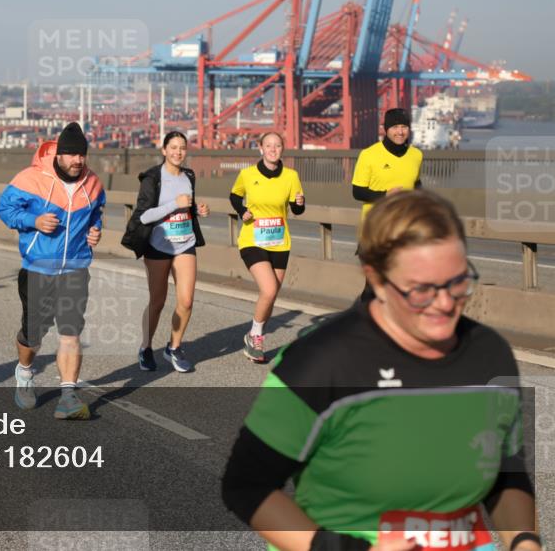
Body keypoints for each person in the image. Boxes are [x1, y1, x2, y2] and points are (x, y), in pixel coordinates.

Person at [221, 191, 541, 551]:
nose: (444, 303)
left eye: (457, 282)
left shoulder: (490, 354)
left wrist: (524, 540)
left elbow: (505, 470)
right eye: (420, 289)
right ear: (375, 278)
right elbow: (246, 485)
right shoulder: (319, 361)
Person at [0, 122, 105, 420]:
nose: (77, 161)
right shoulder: (31, 178)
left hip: (76, 268)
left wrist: (96, 230)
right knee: (34, 335)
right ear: (58, 154)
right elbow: (4, 209)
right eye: (71, 154)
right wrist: (34, 221)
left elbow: (97, 214)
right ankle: (25, 371)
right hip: (37, 268)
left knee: (70, 333)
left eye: (82, 155)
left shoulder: (93, 182)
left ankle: (68, 397)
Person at [121, 131, 208, 373]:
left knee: (187, 300)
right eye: (173, 148)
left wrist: (196, 210)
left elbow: (186, 206)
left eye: (182, 148)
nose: (178, 152)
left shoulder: (188, 176)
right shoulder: (152, 178)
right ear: (164, 150)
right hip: (159, 245)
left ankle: (174, 347)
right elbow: (144, 216)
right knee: (157, 301)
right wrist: (173, 205)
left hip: (185, 242)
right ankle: (146, 347)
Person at [229, 132, 304, 363]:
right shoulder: (247, 174)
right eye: (268, 145)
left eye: (278, 145)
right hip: (253, 239)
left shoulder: (291, 176)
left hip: (280, 241)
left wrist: (299, 203)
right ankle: (256, 336)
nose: (273, 149)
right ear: (260, 148)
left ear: (283, 149)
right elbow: (234, 196)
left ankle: (254, 335)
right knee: (269, 289)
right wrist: (243, 211)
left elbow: (297, 208)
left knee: (271, 295)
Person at [352, 108, 423, 222]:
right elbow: (357, 192)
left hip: (404, 226)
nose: (400, 132)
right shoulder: (368, 154)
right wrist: (385, 196)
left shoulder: (417, 155)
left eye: (404, 127)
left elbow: (417, 185)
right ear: (386, 129)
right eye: (395, 127)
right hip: (375, 227)